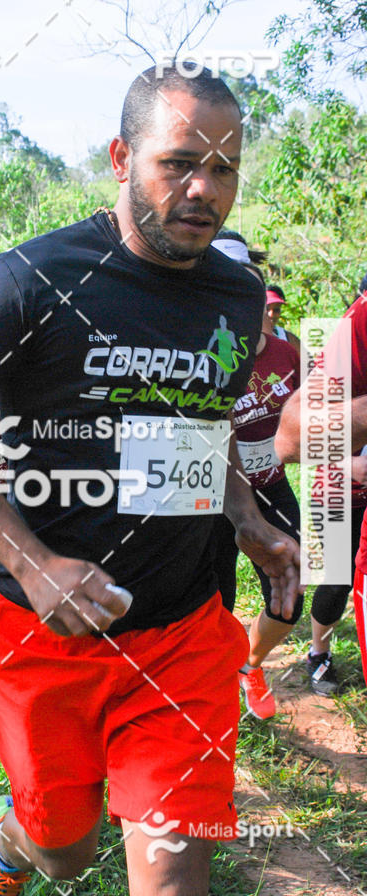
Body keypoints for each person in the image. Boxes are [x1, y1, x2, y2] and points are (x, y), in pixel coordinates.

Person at [0, 67, 301, 896]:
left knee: (176, 871)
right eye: (178, 162)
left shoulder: (236, 291)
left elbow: (205, 421)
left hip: (185, 632)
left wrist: (249, 518)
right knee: (65, 849)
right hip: (42, 639)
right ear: (122, 156)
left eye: (224, 168)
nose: (203, 189)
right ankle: (12, 849)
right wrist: (39, 563)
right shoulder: (32, 279)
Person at [210, 239, 303, 718]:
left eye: (245, 278)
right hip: (211, 495)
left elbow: (316, 415)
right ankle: (214, 691)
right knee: (214, 605)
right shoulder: (202, 354)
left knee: (291, 593)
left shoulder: (288, 354)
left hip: (272, 487)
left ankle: (250, 663)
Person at [276, 272, 367, 694]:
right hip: (337, 488)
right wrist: (348, 464)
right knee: (335, 580)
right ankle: (319, 653)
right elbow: (304, 431)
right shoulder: (342, 347)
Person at [265, 284, 301, 354]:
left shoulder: (288, 338)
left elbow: (308, 363)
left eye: (276, 310)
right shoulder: (248, 338)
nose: (271, 314)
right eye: (267, 309)